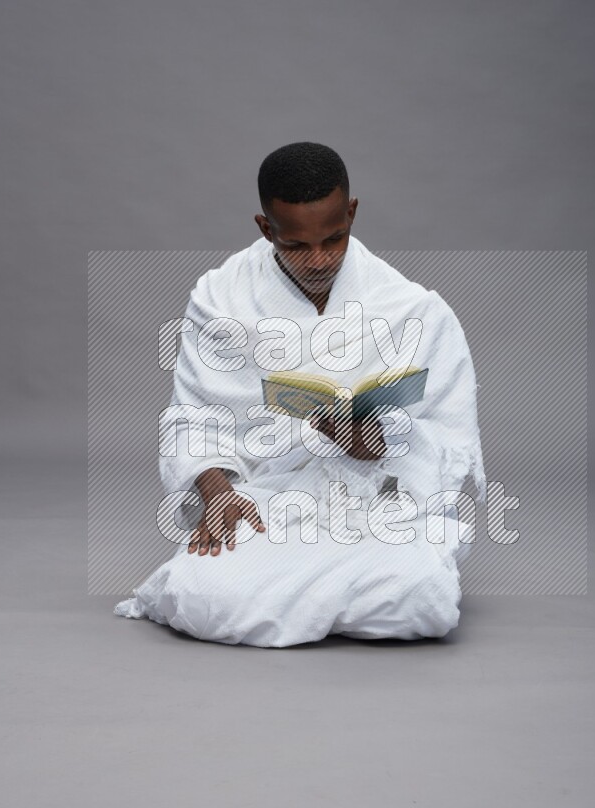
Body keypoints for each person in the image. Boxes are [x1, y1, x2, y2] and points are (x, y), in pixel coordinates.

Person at [114, 142, 486, 647]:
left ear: (351, 213)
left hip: (374, 499)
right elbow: (195, 416)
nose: (319, 259)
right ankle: (333, 596)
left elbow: (449, 435)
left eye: (335, 239)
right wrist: (217, 492)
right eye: (296, 246)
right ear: (266, 228)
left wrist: (379, 443)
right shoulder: (220, 298)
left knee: (424, 598)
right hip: (271, 496)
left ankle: (317, 593)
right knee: (200, 596)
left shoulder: (412, 308)